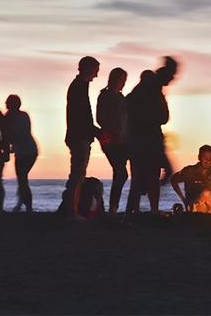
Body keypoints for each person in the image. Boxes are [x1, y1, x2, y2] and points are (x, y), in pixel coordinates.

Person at [126, 57, 177, 214]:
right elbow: (163, 117)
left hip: (137, 140)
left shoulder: (134, 95)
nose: (171, 80)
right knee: (151, 177)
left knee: (139, 178)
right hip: (148, 139)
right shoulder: (153, 91)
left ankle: (133, 210)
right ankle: (150, 210)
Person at [59, 56, 101, 219]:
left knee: (78, 174)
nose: (96, 75)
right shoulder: (78, 87)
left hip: (79, 135)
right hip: (79, 136)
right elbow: (82, 116)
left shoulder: (80, 86)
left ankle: (70, 209)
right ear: (88, 69)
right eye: (95, 71)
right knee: (78, 174)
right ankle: (72, 211)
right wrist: (96, 132)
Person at [96, 67, 129, 215]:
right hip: (110, 140)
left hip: (123, 140)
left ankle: (114, 208)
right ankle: (113, 208)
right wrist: (114, 131)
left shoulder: (122, 98)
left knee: (121, 172)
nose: (122, 83)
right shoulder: (105, 96)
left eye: (124, 81)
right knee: (121, 172)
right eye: (121, 80)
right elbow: (100, 118)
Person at [3, 94, 38, 213]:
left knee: (22, 178)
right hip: (25, 151)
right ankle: (21, 204)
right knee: (22, 178)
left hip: (28, 151)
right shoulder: (11, 117)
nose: (5, 104)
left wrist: (7, 151)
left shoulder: (18, 117)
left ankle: (28, 207)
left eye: (7, 102)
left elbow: (16, 135)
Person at [170, 145, 211, 214]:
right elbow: (173, 180)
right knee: (206, 193)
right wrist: (183, 199)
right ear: (199, 157)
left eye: (210, 158)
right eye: (205, 158)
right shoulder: (189, 171)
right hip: (195, 207)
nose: (208, 161)